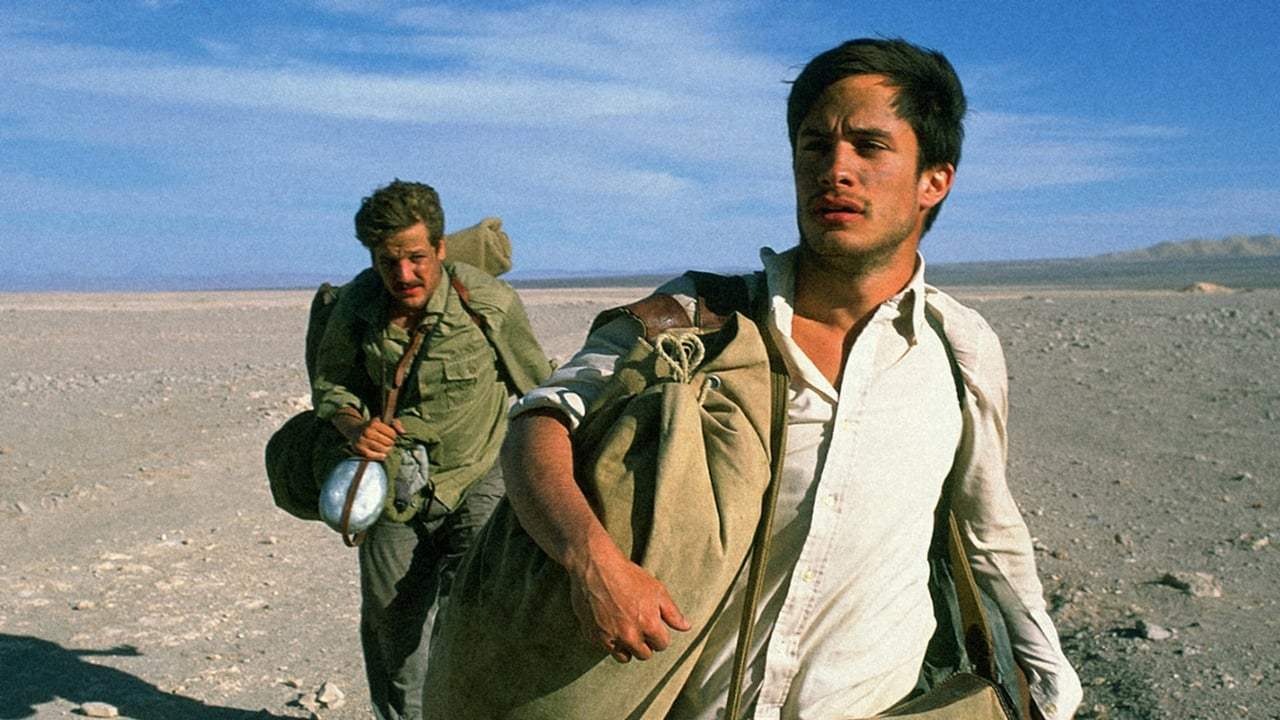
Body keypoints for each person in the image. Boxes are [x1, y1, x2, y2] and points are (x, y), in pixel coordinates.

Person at [501, 39, 1083, 719]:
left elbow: (988, 528)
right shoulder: (700, 317)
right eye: (815, 146)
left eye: (869, 146)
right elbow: (539, 419)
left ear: (934, 180)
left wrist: (1051, 681)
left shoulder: (957, 347)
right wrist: (591, 561)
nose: (835, 169)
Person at [310, 179, 550, 720]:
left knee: (473, 620)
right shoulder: (357, 306)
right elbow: (332, 384)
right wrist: (354, 426)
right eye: (387, 261)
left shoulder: (487, 304)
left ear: (441, 248)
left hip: (477, 477)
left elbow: (539, 389)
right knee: (392, 629)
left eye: (416, 258)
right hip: (394, 485)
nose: (403, 275)